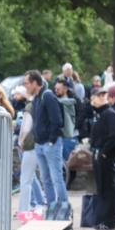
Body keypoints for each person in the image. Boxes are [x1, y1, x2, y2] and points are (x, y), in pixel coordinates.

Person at [24, 70, 70, 214]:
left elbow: (57, 121)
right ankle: (52, 209)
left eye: (27, 83)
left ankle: (63, 209)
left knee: (56, 178)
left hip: (50, 144)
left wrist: (51, 141)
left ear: (34, 83)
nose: (25, 86)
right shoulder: (37, 98)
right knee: (46, 179)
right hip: (40, 144)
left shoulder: (47, 96)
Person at [88, 85, 115, 230]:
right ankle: (102, 218)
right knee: (102, 187)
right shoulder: (99, 114)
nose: (102, 97)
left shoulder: (109, 113)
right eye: (98, 95)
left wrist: (105, 152)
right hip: (99, 154)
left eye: (104, 95)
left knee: (109, 187)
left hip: (106, 156)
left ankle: (108, 220)